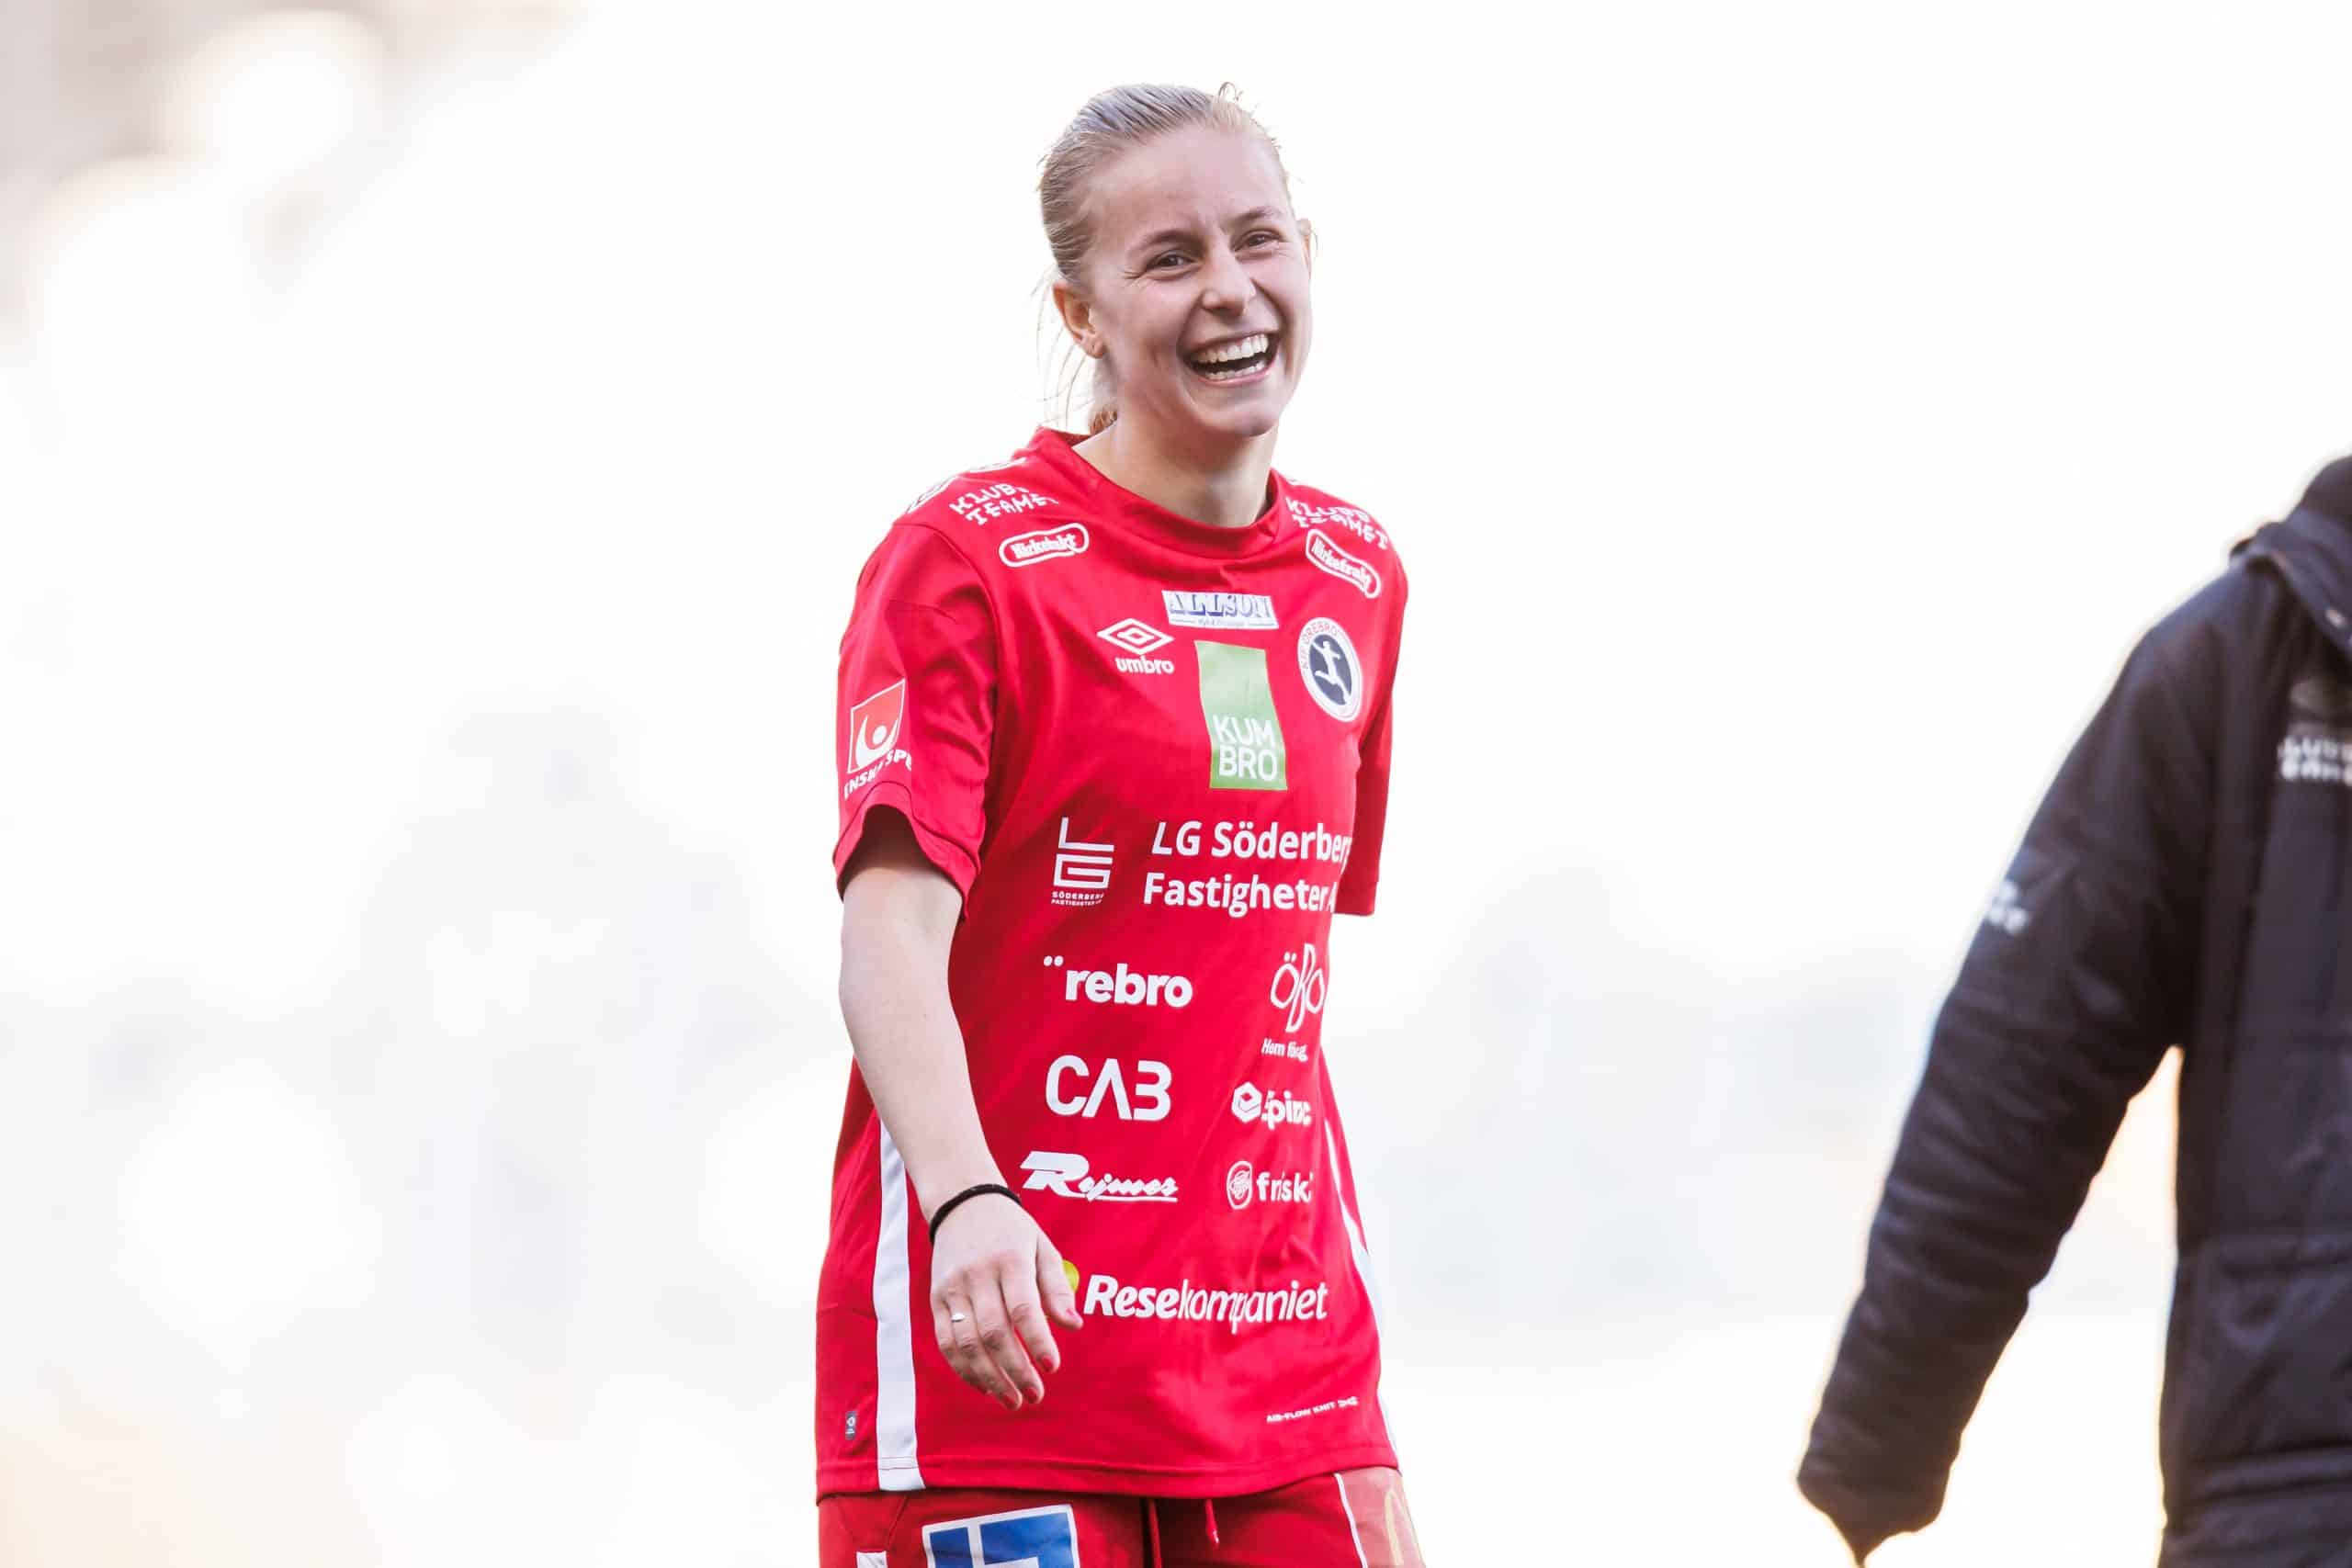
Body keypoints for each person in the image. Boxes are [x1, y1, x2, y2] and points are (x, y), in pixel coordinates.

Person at [817, 85, 1425, 1568]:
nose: (1230, 289)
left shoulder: (1358, 576)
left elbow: (1259, 973)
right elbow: (888, 934)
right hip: (1003, 1369)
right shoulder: (964, 563)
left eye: (1257, 240)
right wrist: (967, 1197)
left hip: (1288, 1381)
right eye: (1169, 257)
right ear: (1081, 313)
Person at [1800, 456, 2352, 1564]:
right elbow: (2023, 1062)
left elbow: (2022, 1062)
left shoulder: (2230, 657)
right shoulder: (2234, 667)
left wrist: (1876, 1451)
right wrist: (1881, 1441)